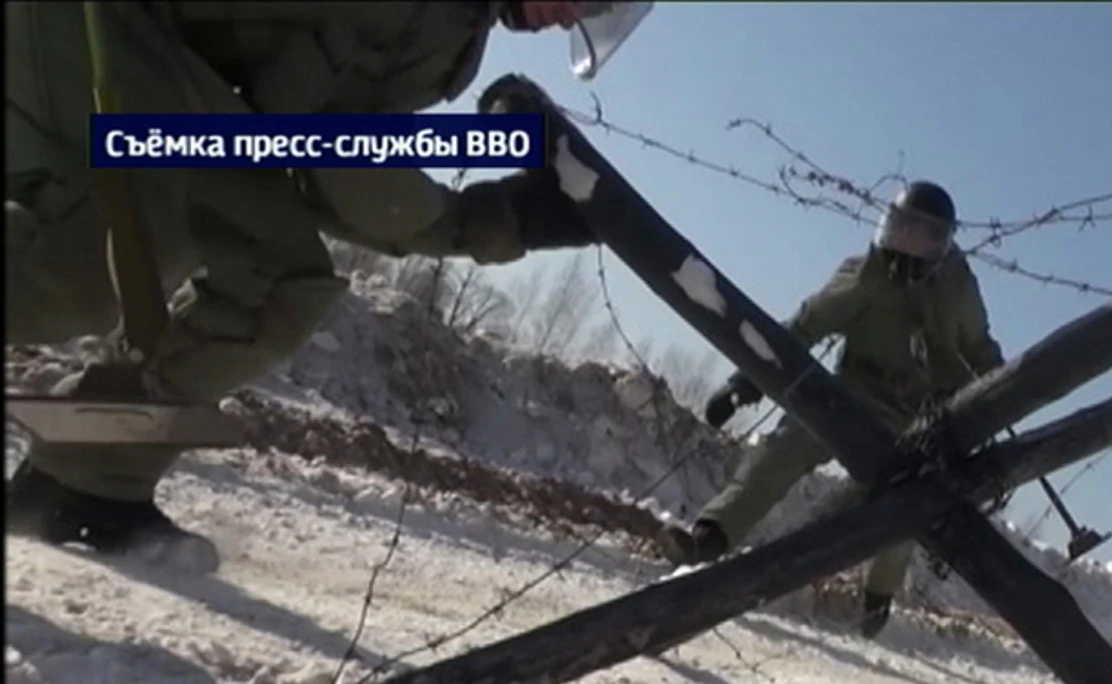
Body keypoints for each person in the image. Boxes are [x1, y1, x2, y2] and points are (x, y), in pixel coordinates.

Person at [4, 1, 657, 568]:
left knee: (278, 277)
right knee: (116, 248)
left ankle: (84, 481)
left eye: (596, 12)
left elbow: (308, 143)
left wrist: (495, 217)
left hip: (186, 85)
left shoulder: (460, 23)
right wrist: (495, 222)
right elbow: (333, 151)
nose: (576, 14)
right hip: (97, 23)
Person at [658, 180, 1007, 638]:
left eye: (925, 235)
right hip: (853, 398)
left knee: (907, 507)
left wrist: (999, 398)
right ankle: (711, 534)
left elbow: (979, 347)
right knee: (785, 446)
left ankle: (878, 597)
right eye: (903, 228)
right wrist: (744, 382)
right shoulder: (863, 278)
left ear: (943, 243)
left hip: (919, 416)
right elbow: (804, 326)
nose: (910, 243)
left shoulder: (957, 289)